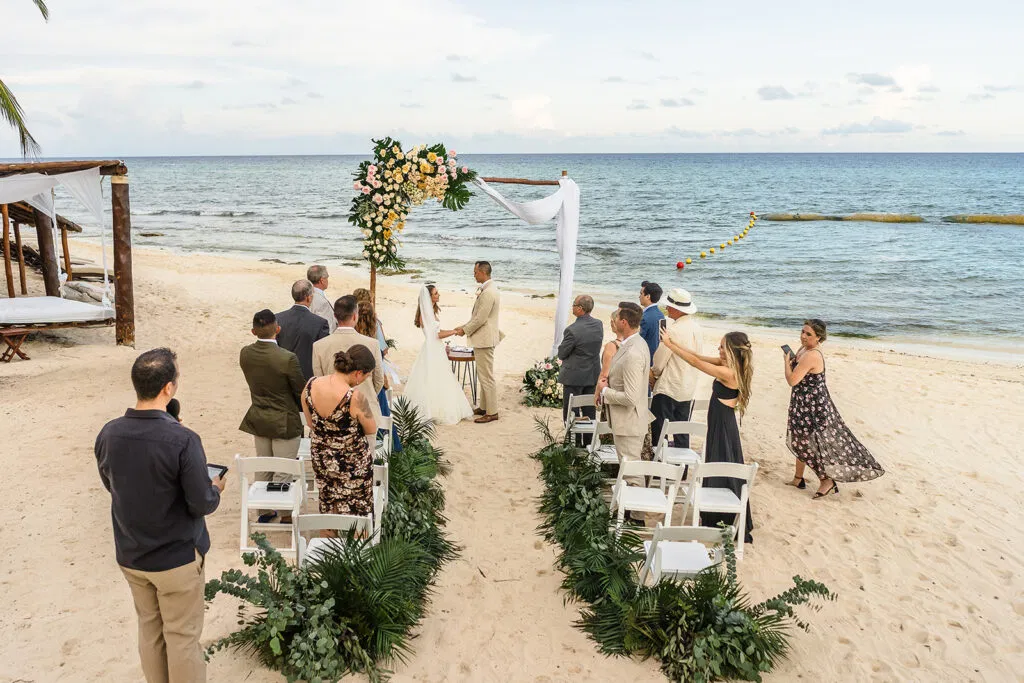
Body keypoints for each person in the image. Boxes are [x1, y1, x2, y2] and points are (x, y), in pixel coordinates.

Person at [94, 348, 225, 683]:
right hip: (176, 556)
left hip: (131, 552)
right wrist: (216, 488)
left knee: (150, 631)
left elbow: (111, 484)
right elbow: (201, 502)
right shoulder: (183, 439)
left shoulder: (109, 433)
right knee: (182, 638)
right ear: (168, 388)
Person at [660, 329, 754, 543]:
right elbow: (698, 356)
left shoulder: (729, 373)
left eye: (722, 347)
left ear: (731, 350)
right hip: (719, 421)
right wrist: (673, 342)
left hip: (723, 425)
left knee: (721, 462)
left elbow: (695, 363)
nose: (718, 349)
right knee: (717, 460)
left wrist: (669, 345)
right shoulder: (728, 366)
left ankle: (721, 517)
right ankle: (715, 513)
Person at [785, 319, 885, 498]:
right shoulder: (802, 350)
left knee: (810, 444)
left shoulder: (812, 354)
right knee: (799, 440)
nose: (803, 336)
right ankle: (798, 478)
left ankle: (827, 480)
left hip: (813, 407)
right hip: (801, 403)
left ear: (819, 338)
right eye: (802, 331)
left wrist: (786, 362)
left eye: (809, 334)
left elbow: (792, 380)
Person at [301, 345, 378, 517]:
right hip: (352, 465)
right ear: (358, 373)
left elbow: (310, 423)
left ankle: (328, 541)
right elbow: (371, 429)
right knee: (359, 513)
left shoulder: (310, 384)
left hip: (322, 460)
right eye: (366, 376)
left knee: (328, 506)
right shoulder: (354, 397)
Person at [312, 295, 384, 435]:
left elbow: (318, 380)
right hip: (366, 413)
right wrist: (367, 393)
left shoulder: (319, 346)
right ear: (355, 316)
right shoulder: (372, 344)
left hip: (331, 413)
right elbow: (378, 379)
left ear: (335, 316)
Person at [238, 309, 305, 460]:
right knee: (283, 474)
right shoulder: (287, 358)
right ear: (278, 329)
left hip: (260, 418)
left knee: (263, 470)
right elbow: (300, 391)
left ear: (253, 331)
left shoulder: (245, 353)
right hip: (284, 421)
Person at [597, 302, 654, 473]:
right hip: (628, 421)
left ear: (624, 322)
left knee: (631, 474)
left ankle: (633, 499)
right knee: (628, 470)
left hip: (629, 422)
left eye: (617, 317)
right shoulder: (636, 343)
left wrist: (605, 391)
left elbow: (631, 398)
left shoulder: (633, 352)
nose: (614, 319)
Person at [404, 284, 474, 424]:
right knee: (434, 378)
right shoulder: (425, 315)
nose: (438, 295)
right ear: (429, 297)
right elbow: (436, 335)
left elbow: (438, 332)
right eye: (436, 293)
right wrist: (454, 332)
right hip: (432, 349)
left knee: (436, 378)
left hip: (434, 348)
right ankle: (433, 410)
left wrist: (452, 330)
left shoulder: (429, 312)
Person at [650, 288, 702, 448]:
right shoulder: (696, 327)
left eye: (669, 306)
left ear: (677, 309)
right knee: (682, 431)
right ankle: (682, 470)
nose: (666, 308)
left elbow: (658, 363)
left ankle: (659, 470)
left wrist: (653, 375)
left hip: (669, 386)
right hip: (687, 386)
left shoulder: (673, 330)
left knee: (659, 432)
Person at [455, 261, 502, 424]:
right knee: (483, 375)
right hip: (484, 337)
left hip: (485, 339)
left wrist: (464, 330)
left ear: (482, 272)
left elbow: (481, 319)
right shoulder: (488, 289)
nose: (473, 274)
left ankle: (492, 412)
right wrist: (465, 326)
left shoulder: (488, 292)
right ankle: (484, 407)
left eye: (475, 272)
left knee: (486, 376)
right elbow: (479, 317)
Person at [356, 299, 403, 450]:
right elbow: (379, 372)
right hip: (374, 390)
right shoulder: (374, 342)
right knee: (382, 420)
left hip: (355, 389)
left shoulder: (354, 341)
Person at [557, 294, 604, 444]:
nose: (572, 307)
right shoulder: (599, 325)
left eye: (574, 305)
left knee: (571, 411)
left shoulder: (572, 330)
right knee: (590, 410)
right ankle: (588, 442)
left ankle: (575, 442)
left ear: (580, 309)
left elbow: (562, 353)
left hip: (574, 376)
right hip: (592, 373)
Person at [276, 279, 330, 381]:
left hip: (283, 375)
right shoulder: (320, 323)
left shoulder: (278, 318)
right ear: (308, 298)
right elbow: (323, 353)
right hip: (308, 377)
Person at [353, 287, 389, 356]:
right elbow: (383, 349)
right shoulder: (374, 322)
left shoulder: (349, 319)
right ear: (368, 303)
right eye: (371, 301)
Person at [639, 280, 665, 363]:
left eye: (641, 294)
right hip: (657, 358)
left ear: (648, 296)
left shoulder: (644, 317)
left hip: (645, 359)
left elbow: (638, 340)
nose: (639, 296)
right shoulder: (661, 315)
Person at [307, 264, 337, 333]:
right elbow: (328, 327)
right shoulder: (322, 302)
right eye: (327, 277)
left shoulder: (307, 294)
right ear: (322, 280)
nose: (327, 280)